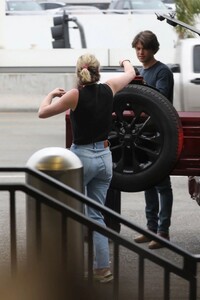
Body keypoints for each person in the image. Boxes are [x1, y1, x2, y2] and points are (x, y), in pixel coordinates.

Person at [38, 53, 136, 282]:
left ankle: (64, 269)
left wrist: (51, 94)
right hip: (104, 157)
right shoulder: (109, 87)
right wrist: (125, 61)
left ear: (78, 72)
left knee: (67, 211)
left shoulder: (74, 95)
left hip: (81, 158)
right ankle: (103, 269)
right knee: (95, 214)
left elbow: (42, 112)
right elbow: (131, 74)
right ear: (98, 71)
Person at [131, 30, 174, 249]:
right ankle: (151, 229)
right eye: (137, 48)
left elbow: (159, 101)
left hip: (160, 134)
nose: (140, 52)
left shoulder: (162, 71)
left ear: (153, 48)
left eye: (144, 48)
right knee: (148, 180)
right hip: (143, 134)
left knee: (162, 185)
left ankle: (162, 232)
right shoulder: (140, 72)